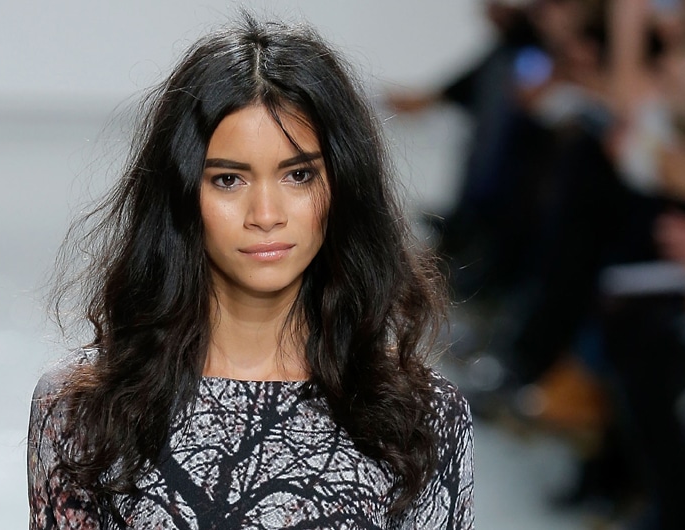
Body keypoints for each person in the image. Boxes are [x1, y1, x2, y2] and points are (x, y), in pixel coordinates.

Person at [26, 15, 475, 530]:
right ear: (180, 195)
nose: (265, 214)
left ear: (344, 186)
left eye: (299, 175)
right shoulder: (83, 413)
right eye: (228, 179)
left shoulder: (421, 420)